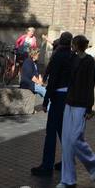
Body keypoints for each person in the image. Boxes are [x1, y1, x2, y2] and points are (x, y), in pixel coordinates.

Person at [57, 35, 95, 188]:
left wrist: (89, 107)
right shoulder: (72, 58)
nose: (71, 47)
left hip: (81, 104)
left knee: (76, 138)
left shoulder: (89, 62)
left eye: (73, 44)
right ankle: (67, 179)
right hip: (69, 101)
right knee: (67, 141)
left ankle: (93, 161)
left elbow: (90, 85)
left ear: (78, 45)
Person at [31, 31, 74, 176]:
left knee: (51, 132)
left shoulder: (58, 56)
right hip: (69, 97)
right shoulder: (73, 57)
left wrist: (45, 100)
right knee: (63, 131)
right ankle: (67, 161)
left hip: (58, 96)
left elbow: (53, 80)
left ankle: (47, 164)